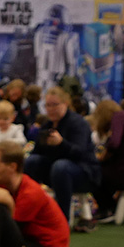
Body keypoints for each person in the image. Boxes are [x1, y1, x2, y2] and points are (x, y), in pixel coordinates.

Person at [0, 141, 69, 247]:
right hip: (28, 240)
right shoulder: (3, 186)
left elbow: (11, 231)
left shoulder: (30, 193)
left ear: (12, 167)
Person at [24, 86, 101, 224]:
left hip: (84, 173)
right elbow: (37, 153)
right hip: (56, 171)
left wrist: (61, 143)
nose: (51, 109)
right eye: (48, 105)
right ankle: (28, 213)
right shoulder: (47, 125)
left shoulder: (78, 123)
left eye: (55, 105)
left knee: (61, 167)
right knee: (32, 162)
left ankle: (61, 221)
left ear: (65, 104)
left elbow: (80, 153)